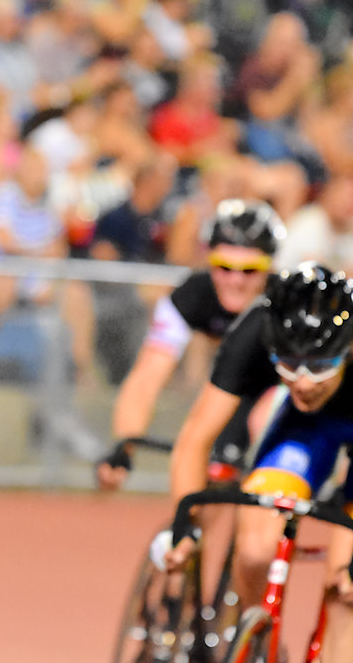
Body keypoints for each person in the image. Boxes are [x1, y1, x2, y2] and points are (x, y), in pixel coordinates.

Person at [165, 264, 353, 663]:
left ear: (350, 348)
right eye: (287, 364)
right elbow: (193, 440)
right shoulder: (256, 329)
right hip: (308, 429)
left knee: (344, 582)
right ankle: (256, 649)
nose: (303, 381)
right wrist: (184, 527)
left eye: (320, 365)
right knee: (254, 548)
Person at [96, 198, 287, 491]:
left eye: (249, 270)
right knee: (202, 481)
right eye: (223, 267)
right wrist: (124, 447)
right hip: (231, 386)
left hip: (277, 386)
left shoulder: (286, 302)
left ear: (270, 267)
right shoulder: (191, 295)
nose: (235, 280)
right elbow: (147, 377)